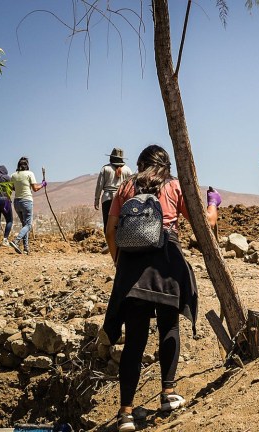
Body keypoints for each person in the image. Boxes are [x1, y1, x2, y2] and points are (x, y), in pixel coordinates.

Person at [102, 145, 220, 432]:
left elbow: (110, 230)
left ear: (141, 165)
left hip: (132, 267)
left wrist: (120, 261)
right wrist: (214, 202)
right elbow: (204, 225)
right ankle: (168, 395)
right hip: (167, 261)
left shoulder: (125, 187)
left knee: (135, 340)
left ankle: (126, 414)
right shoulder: (175, 186)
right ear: (166, 165)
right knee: (169, 327)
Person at [8, 157, 46, 255]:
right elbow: (35, 188)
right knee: (28, 225)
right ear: (27, 165)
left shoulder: (13, 175)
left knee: (24, 225)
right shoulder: (30, 173)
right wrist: (42, 184)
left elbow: (12, 188)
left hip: (17, 202)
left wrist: (20, 185)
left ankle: (26, 248)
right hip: (26, 201)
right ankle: (16, 241)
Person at [95, 148, 133, 235]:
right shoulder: (127, 170)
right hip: (122, 199)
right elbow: (131, 186)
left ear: (111, 157)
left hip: (107, 199)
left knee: (107, 223)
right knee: (121, 223)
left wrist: (96, 199)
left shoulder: (105, 169)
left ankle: (109, 244)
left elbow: (99, 185)